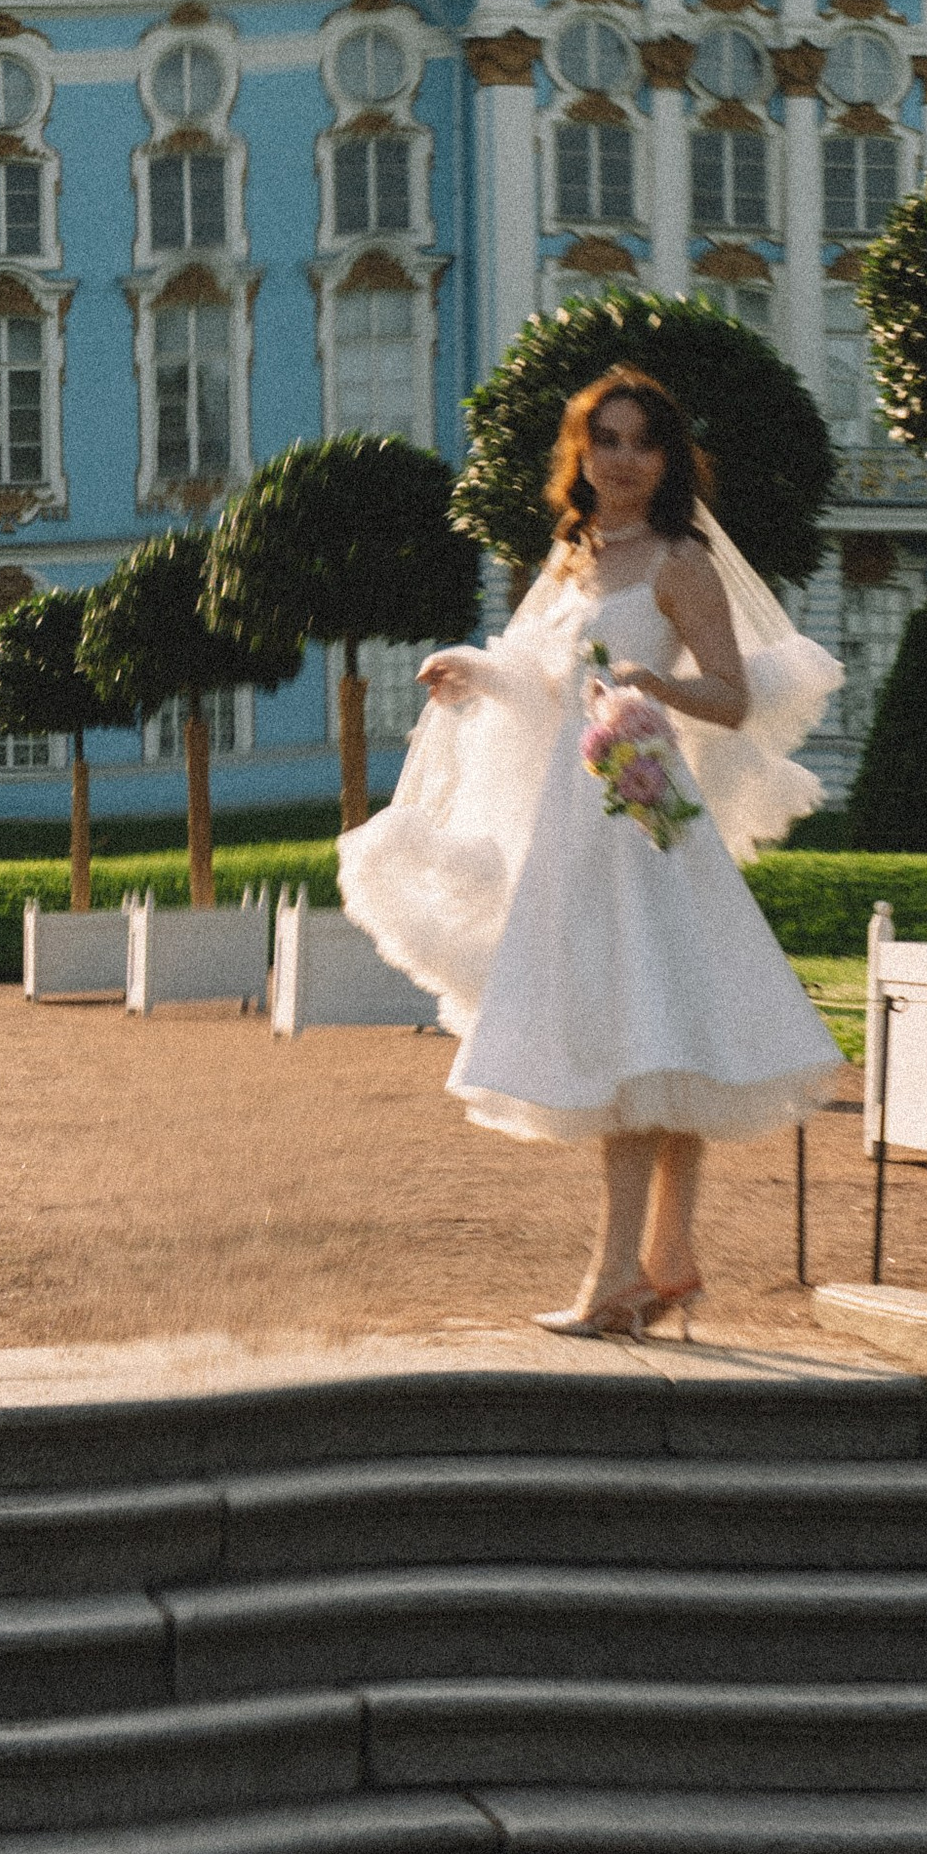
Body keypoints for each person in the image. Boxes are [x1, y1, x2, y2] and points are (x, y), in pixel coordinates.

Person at [340, 368, 843, 1338]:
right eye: (605, 440)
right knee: (651, 1030)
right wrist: (474, 672)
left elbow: (734, 699)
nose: (622, 460)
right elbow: (543, 689)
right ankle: (668, 1262)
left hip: (646, 814)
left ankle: (618, 1275)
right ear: (581, 453)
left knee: (651, 1031)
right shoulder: (570, 559)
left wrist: (657, 684)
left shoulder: (679, 563)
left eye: (642, 443)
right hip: (582, 820)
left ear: (667, 460)